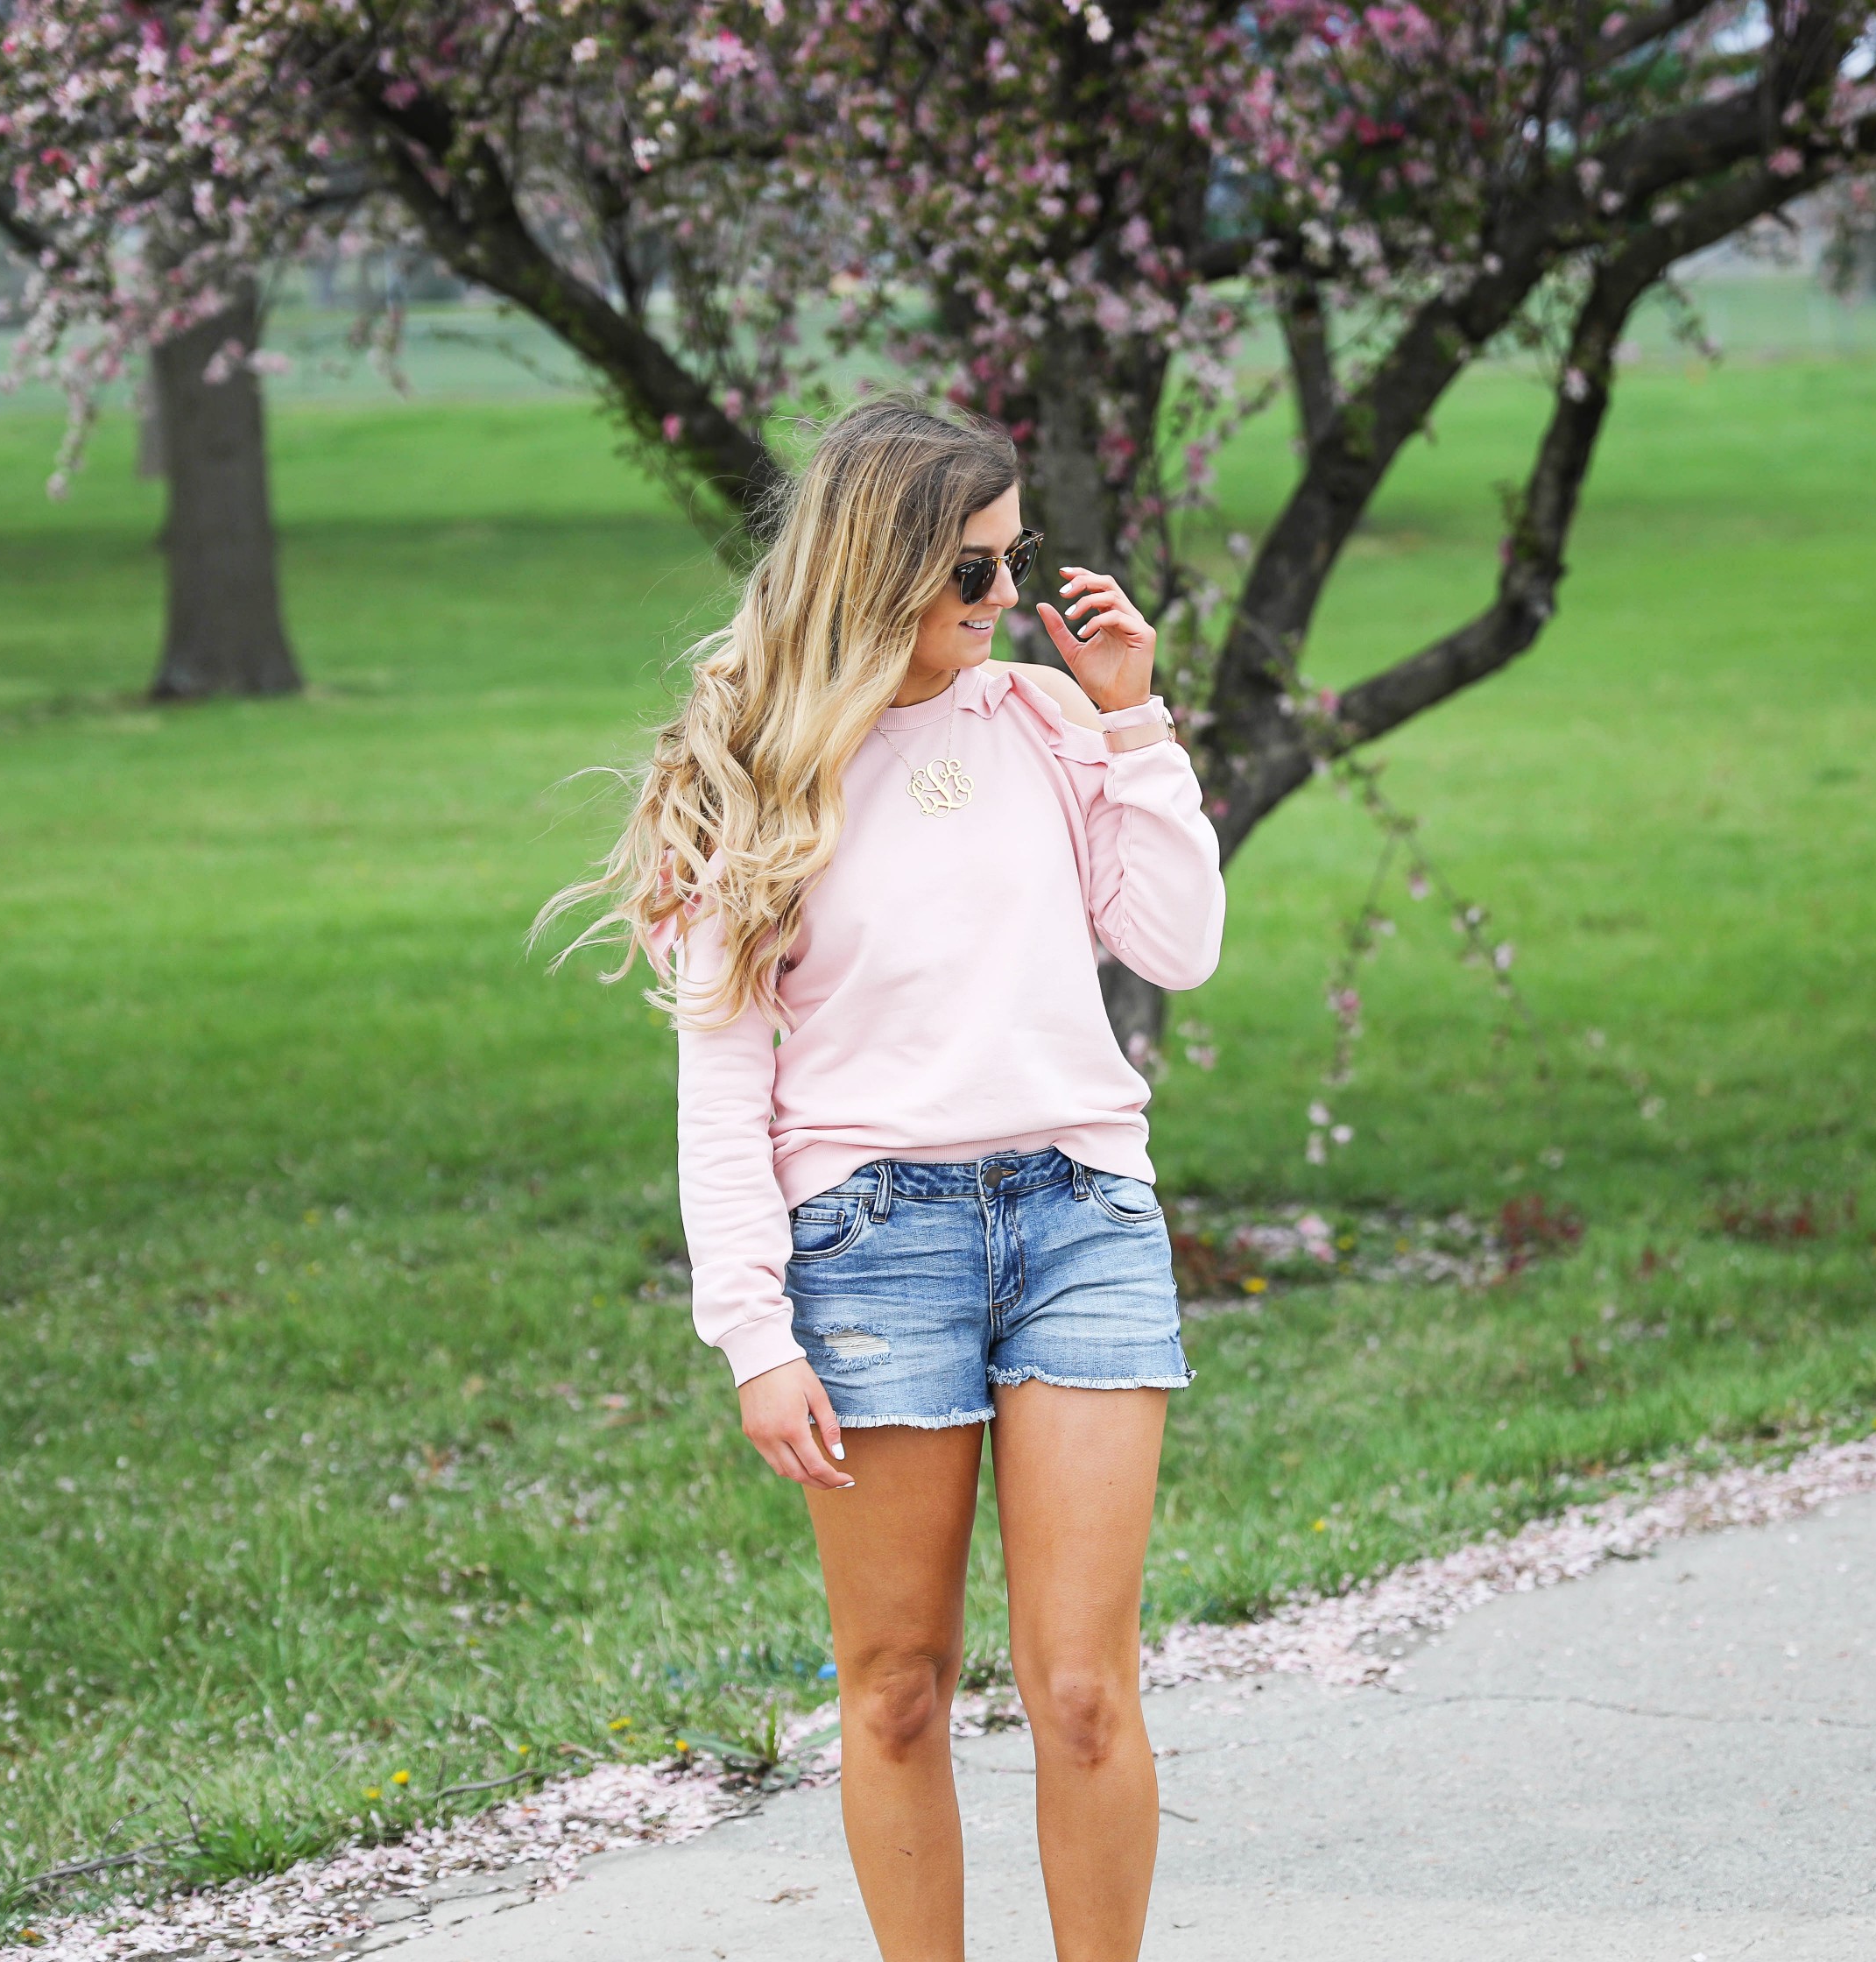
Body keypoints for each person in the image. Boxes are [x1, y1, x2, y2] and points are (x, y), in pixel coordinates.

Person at [537, 396, 1227, 1962]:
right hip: (871, 1246)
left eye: (1015, 564)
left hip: (1083, 1219)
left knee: (1080, 1687)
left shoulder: (1052, 724)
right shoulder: (755, 778)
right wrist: (755, 1339)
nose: (1007, 604)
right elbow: (722, 1089)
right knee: (900, 1686)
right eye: (971, 577)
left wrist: (1136, 723)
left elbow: (1177, 946)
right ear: (877, 572)